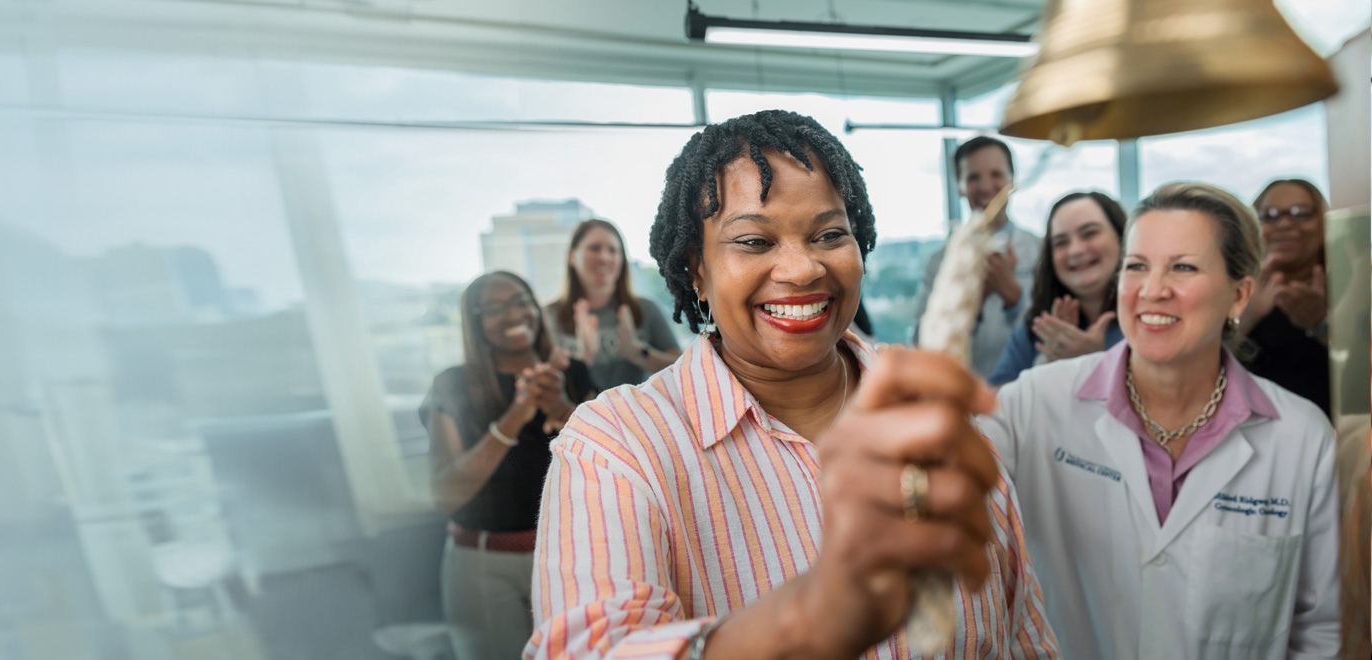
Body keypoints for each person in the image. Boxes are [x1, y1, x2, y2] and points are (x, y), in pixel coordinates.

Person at [527, 110, 1057, 660]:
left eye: (830, 234)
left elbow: (1022, 633)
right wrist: (814, 614)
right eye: (755, 241)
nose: (802, 269)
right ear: (697, 268)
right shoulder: (619, 447)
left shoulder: (923, 404)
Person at [977, 182, 1340, 659]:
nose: (1152, 290)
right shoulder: (1033, 403)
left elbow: (1319, 629)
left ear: (1239, 294)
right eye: (1137, 267)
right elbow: (942, 487)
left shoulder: (1301, 436)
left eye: (1183, 267)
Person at [423, 271, 596, 660]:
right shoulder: (452, 385)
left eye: (521, 301)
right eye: (494, 308)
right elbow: (446, 495)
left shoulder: (574, 374)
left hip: (569, 557)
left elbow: (611, 462)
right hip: (484, 566)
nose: (513, 314)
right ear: (476, 321)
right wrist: (516, 416)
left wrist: (559, 408)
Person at [914, 136, 1040, 380]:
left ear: (1012, 181)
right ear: (959, 187)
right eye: (973, 177)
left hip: (1029, 393)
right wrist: (970, 300)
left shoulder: (1040, 251)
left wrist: (1014, 298)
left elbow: (1053, 338)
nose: (985, 186)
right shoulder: (939, 263)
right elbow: (923, 343)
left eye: (996, 174)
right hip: (965, 393)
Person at [989, 192, 1129, 386]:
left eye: (1089, 233)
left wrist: (1097, 363)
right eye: (1061, 242)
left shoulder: (1149, 321)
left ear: (1122, 237)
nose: (1076, 250)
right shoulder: (1038, 329)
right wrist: (1050, 365)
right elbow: (991, 405)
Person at [546, 219, 680, 392]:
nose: (604, 257)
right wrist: (582, 360)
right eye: (594, 248)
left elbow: (681, 368)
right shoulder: (548, 316)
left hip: (638, 416)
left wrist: (638, 353)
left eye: (613, 250)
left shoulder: (646, 309)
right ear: (571, 256)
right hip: (578, 416)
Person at [1240, 178, 1331, 413]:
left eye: (1300, 213)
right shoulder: (1235, 286)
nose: (1283, 223)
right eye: (1268, 215)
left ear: (1322, 222)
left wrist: (1321, 324)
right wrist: (1245, 317)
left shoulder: (1355, 282)